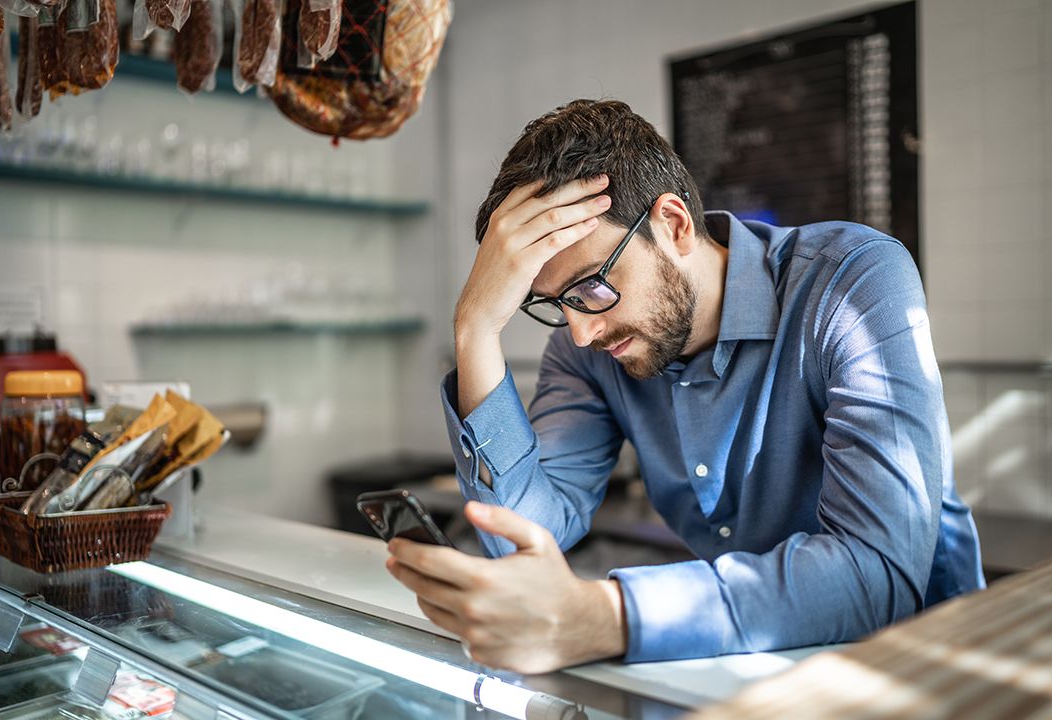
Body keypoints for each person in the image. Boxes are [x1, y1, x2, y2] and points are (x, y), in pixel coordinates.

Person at [385, 99, 985, 673]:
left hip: (929, 669)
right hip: (754, 672)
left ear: (672, 226)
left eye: (592, 286)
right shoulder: (585, 347)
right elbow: (521, 536)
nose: (582, 331)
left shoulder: (853, 281)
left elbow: (878, 574)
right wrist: (476, 328)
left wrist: (604, 617)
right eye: (553, 303)